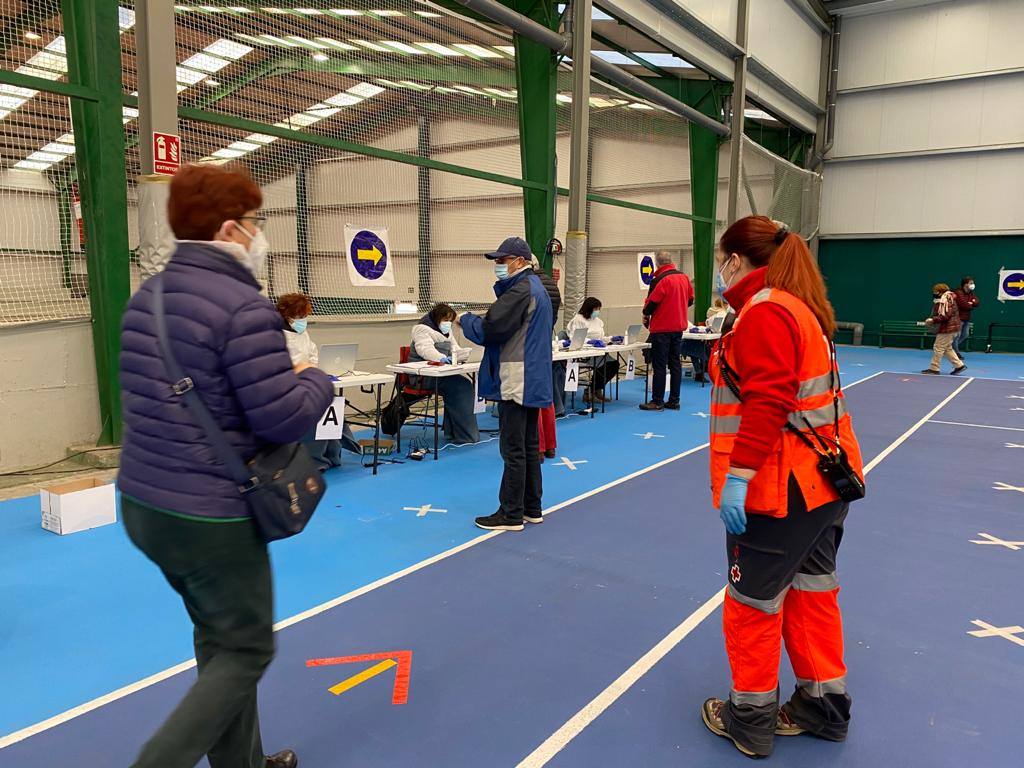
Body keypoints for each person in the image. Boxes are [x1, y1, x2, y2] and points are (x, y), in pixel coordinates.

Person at [119, 164, 333, 768]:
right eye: (256, 223)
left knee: (219, 640)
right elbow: (282, 418)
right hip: (211, 517)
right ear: (231, 230)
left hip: (144, 503)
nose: (259, 235)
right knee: (245, 651)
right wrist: (316, 377)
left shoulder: (148, 298)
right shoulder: (244, 308)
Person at [702, 215, 866, 759]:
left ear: (736, 259)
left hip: (780, 490)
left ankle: (749, 717)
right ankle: (822, 706)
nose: (719, 268)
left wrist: (739, 478)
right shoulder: (795, 305)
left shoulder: (766, 311)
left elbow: (769, 402)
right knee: (812, 592)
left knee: (751, 602)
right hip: (822, 483)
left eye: (723, 258)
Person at [458, 236, 553, 531]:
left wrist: (465, 319)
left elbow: (492, 328)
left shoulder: (522, 290)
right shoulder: (537, 288)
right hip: (532, 375)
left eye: (502, 260)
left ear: (520, 261)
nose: (498, 266)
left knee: (513, 448)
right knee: (528, 445)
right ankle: (531, 507)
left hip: (517, 376)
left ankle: (511, 513)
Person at [275, 293, 355, 470]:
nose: (304, 319)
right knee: (313, 408)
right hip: (285, 387)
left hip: (305, 381)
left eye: (305, 315)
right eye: (300, 315)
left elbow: (312, 353)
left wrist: (313, 370)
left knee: (331, 403)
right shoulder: (273, 334)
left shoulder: (302, 332)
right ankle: (314, 460)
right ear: (287, 314)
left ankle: (332, 454)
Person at [410, 302, 480, 445]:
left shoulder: (446, 331)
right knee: (462, 387)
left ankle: (454, 432)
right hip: (423, 376)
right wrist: (441, 358)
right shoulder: (421, 329)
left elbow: (455, 349)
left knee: (463, 384)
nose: (448, 323)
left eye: (450, 321)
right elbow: (425, 350)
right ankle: (465, 436)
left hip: (443, 374)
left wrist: (469, 354)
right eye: (445, 320)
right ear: (437, 318)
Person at [640, 250, 693, 411]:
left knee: (660, 365)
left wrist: (646, 314)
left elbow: (651, 305)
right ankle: (674, 400)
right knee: (675, 364)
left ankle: (657, 401)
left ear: (657, 263)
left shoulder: (659, 280)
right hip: (678, 328)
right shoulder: (684, 277)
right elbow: (690, 300)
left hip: (662, 329)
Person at [532, 256, 561, 458]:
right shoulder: (551, 284)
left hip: (530, 348)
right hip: (545, 344)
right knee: (546, 397)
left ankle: (538, 447)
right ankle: (550, 445)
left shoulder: (529, 287)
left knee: (532, 399)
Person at [566, 296, 620, 404]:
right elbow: (574, 338)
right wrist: (590, 342)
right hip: (584, 353)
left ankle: (596, 389)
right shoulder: (578, 319)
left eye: (599, 309)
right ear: (589, 308)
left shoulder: (598, 321)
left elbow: (601, 338)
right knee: (603, 365)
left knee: (614, 365)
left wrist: (611, 339)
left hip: (598, 352)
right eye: (596, 309)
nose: (597, 311)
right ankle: (590, 392)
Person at [922, 283, 967, 375]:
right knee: (947, 348)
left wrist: (933, 319)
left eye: (935, 291)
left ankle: (934, 368)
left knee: (938, 347)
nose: (934, 293)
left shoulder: (945, 300)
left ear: (939, 292)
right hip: (953, 328)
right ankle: (959, 366)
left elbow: (946, 316)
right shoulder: (948, 298)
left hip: (947, 329)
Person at [953, 276, 980, 357]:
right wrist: (970, 303)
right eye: (971, 283)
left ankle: (949, 348)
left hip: (967, 318)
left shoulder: (971, 293)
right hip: (958, 317)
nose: (973, 285)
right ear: (965, 284)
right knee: (957, 336)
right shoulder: (958, 292)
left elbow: (977, 302)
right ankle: (956, 353)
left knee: (965, 335)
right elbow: (964, 305)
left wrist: (971, 303)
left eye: (973, 283)